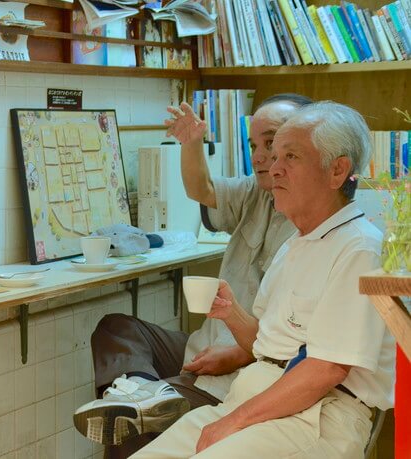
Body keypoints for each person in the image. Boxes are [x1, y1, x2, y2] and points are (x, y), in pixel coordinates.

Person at [130, 101, 395, 459]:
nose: (274, 167)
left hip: (316, 415)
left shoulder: (360, 249)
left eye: (291, 157)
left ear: (337, 170)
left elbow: (326, 369)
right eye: (274, 155)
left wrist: (233, 422)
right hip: (256, 399)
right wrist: (231, 313)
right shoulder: (297, 242)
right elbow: (268, 344)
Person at [73, 94, 312, 455]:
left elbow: (304, 350)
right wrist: (191, 143)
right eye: (255, 146)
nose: (262, 157)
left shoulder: (320, 231)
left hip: (242, 376)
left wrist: (239, 355)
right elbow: (203, 189)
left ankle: (144, 407)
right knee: (117, 329)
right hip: (204, 348)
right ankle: (144, 397)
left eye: (274, 144)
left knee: (133, 429)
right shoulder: (255, 192)